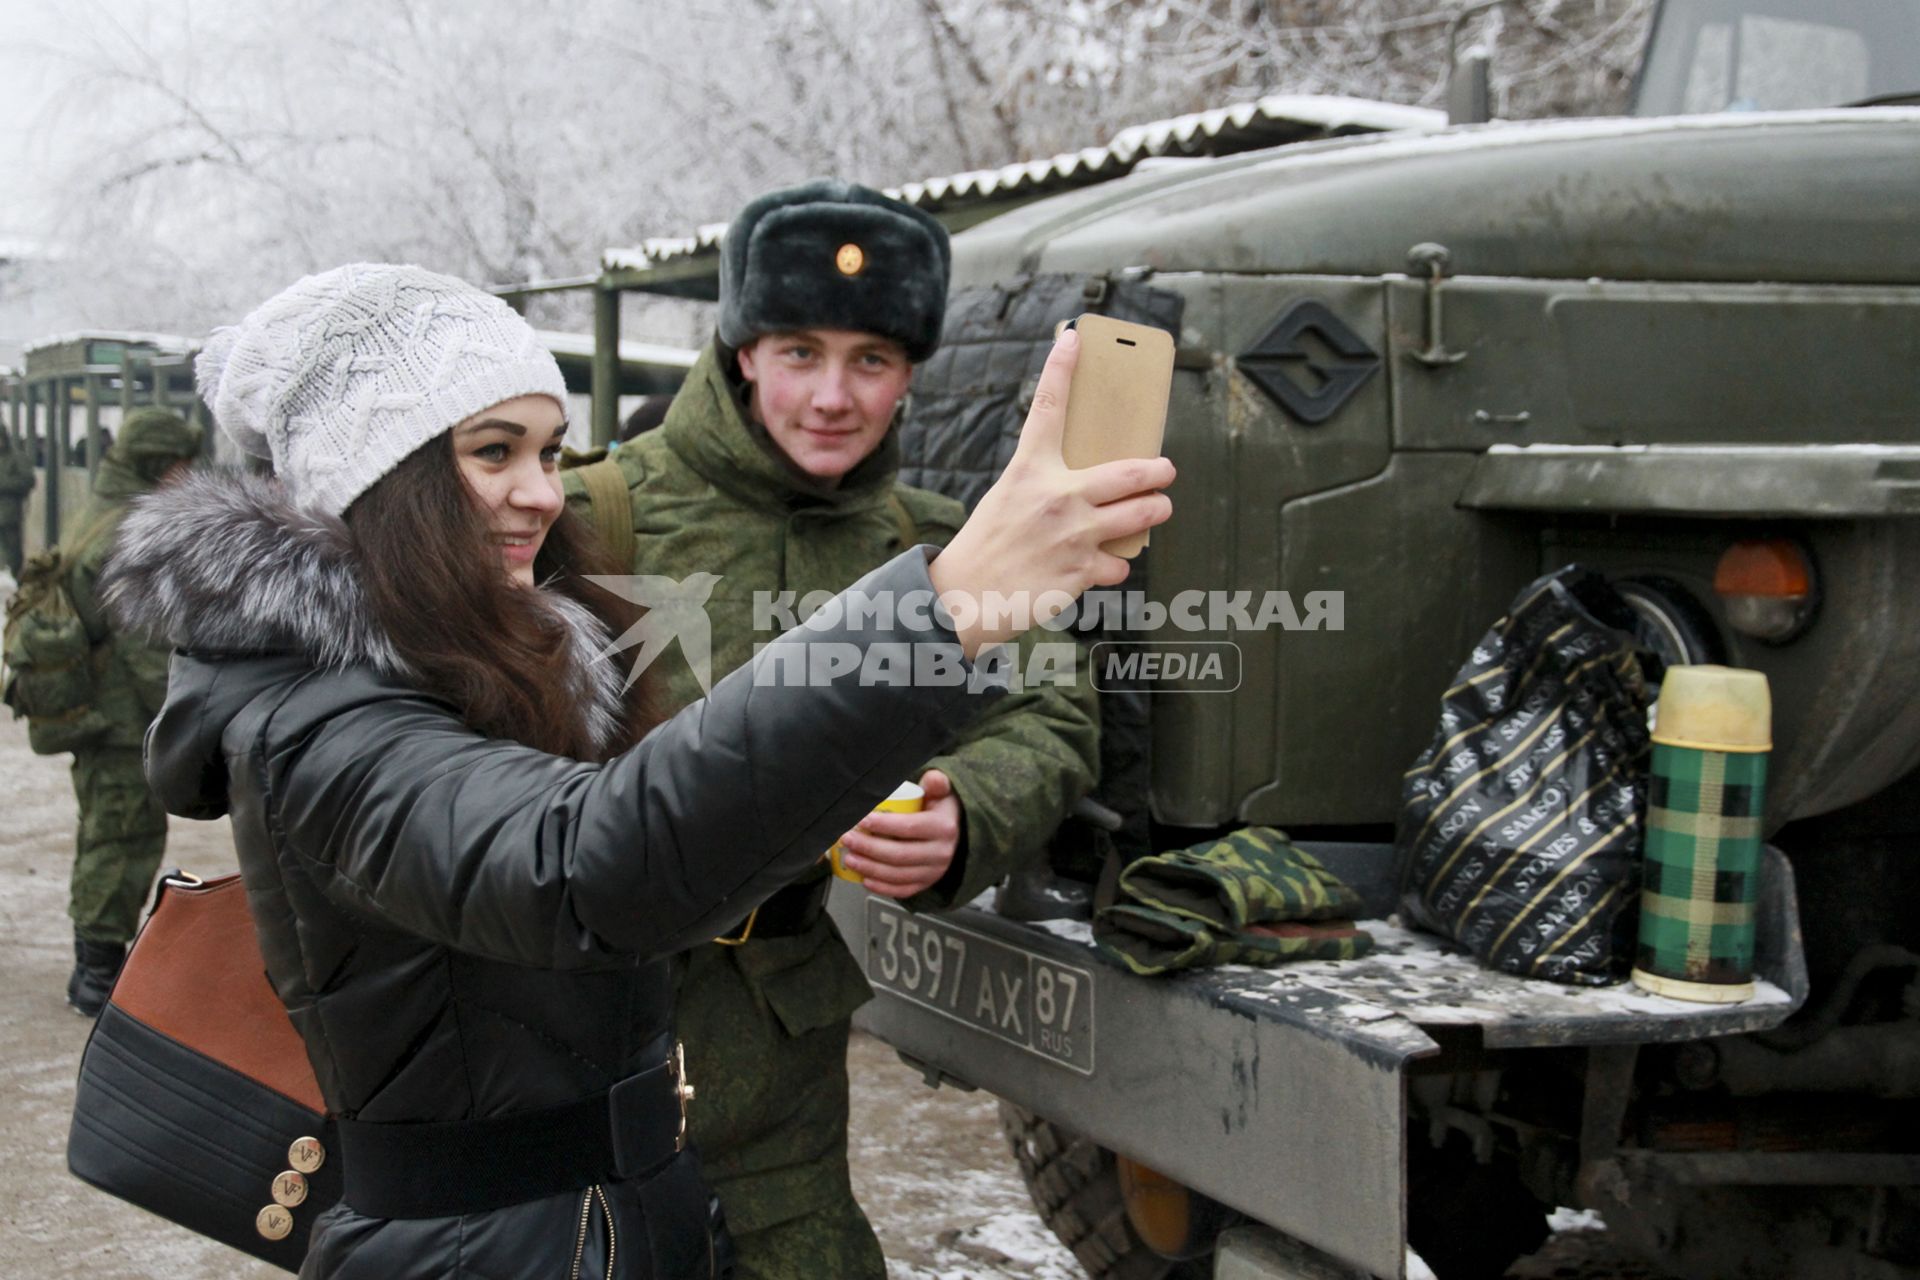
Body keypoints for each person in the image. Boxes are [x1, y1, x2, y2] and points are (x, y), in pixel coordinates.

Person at [100, 262, 1171, 1277]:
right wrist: (950, 606)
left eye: (551, 452)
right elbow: (585, 863)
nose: (539, 493)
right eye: (491, 451)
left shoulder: (479, 660)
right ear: (376, 468)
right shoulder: (321, 723)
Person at [563, 180, 1101, 1279]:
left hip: (780, 1048)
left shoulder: (945, 550)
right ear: (743, 351)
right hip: (588, 1029)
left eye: (872, 360)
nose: (832, 395)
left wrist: (964, 809)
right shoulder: (592, 514)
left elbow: (1048, 704)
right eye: (799, 351)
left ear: (910, 373)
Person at [60, 408, 204, 1015]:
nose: (188, 475)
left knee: (108, 835)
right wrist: (178, 724)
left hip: (103, 711)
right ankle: (96, 976)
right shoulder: (129, 529)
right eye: (180, 464)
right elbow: (146, 649)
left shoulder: (103, 512)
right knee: (121, 841)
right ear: (155, 465)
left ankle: (96, 965)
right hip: (122, 720)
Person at [0, 427, 34, 575]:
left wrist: (3, 483)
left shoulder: (17, 458)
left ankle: (15, 579)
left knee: (13, 552)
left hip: (9, 514)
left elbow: (27, 481)